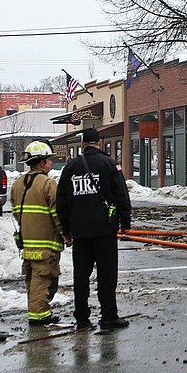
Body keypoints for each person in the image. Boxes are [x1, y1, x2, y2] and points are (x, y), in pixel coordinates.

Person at [57, 127, 132, 330]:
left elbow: (61, 201)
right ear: (99, 143)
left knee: (81, 276)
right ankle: (108, 315)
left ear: (82, 144)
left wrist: (66, 230)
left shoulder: (70, 168)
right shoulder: (109, 164)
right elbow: (121, 195)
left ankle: (82, 318)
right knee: (107, 274)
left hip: (80, 231)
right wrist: (125, 223)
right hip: (104, 230)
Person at [10, 140, 67, 326]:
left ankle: (37, 310)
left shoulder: (18, 183)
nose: (51, 164)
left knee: (32, 280)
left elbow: (16, 212)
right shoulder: (48, 184)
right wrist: (65, 233)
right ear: (41, 162)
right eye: (49, 160)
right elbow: (57, 213)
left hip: (28, 243)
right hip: (46, 244)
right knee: (43, 280)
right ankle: (39, 315)